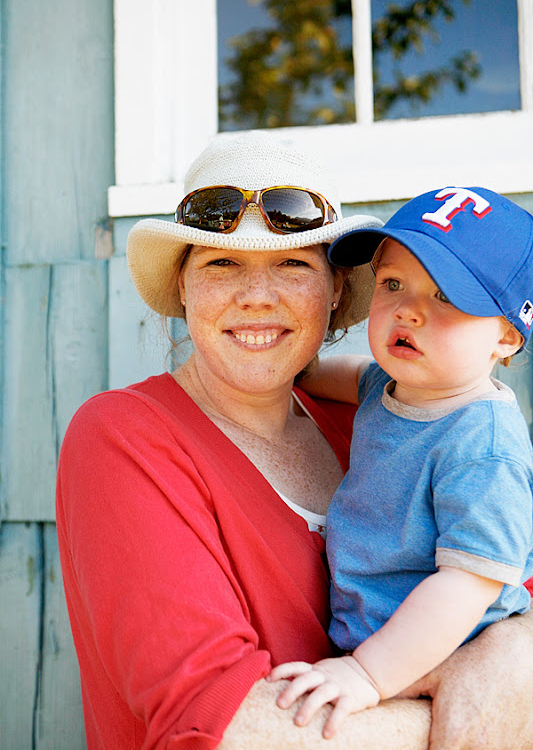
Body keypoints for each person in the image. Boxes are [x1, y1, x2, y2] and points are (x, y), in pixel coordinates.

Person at [55, 135, 533, 750]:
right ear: (182, 286)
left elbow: (501, 580)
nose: (257, 297)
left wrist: (512, 651)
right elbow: (219, 729)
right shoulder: (125, 436)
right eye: (221, 263)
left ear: (335, 290)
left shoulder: (383, 420)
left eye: (293, 264)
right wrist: (479, 711)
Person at [270, 186, 533, 738]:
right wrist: (290, 366)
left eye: (446, 296)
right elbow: (349, 376)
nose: (408, 309)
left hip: (448, 654)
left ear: (507, 336)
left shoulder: (482, 446)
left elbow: (468, 584)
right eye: (392, 283)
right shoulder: (390, 386)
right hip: (375, 642)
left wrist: (369, 673)